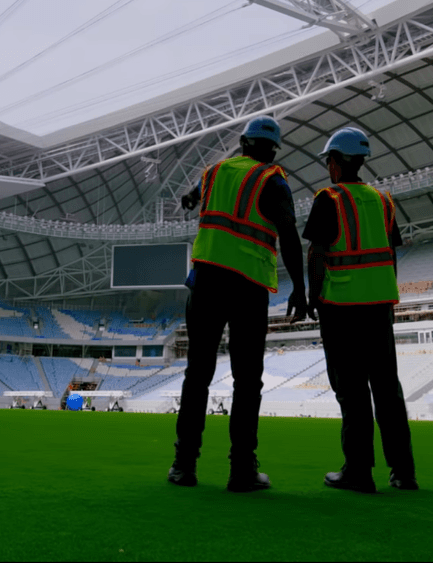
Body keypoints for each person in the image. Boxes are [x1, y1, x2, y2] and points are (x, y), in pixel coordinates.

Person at [167, 115, 307, 493]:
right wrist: (300, 287)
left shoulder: (214, 172)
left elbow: (193, 194)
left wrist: (190, 199)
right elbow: (289, 234)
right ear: (271, 150)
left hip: (206, 282)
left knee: (197, 374)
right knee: (247, 381)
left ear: (243, 143)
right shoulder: (272, 180)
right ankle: (242, 469)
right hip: (247, 288)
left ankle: (183, 465)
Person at [303, 128, 417, 494]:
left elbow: (318, 252)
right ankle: (403, 472)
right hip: (379, 308)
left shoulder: (328, 199)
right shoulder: (382, 201)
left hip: (341, 309)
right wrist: (387, 297)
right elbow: (391, 254)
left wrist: (313, 295)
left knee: (352, 391)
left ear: (335, 162)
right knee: (387, 390)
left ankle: (358, 472)